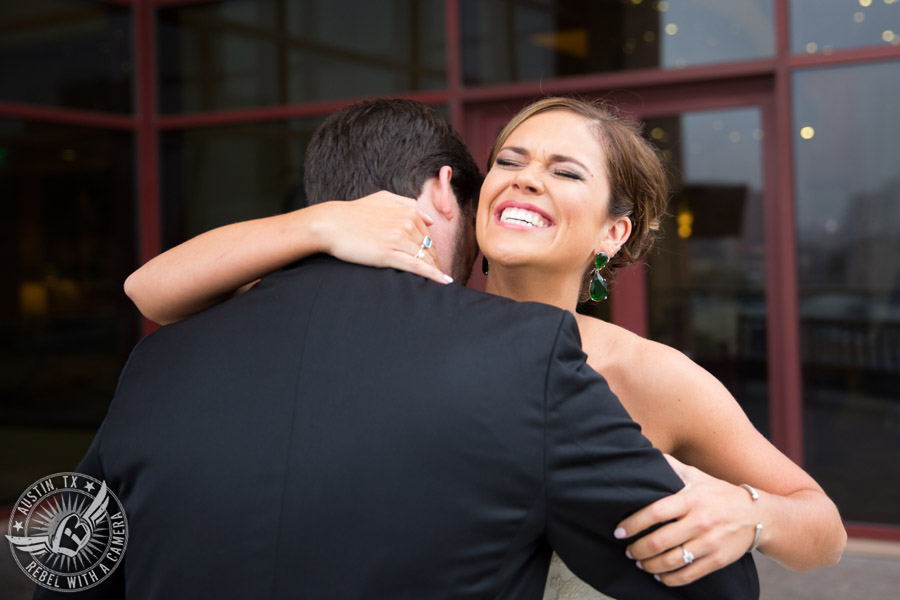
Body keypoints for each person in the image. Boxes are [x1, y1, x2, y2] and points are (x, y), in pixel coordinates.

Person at [37, 99, 759, 600]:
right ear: (448, 195)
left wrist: (754, 513)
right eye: (503, 170)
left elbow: (66, 559)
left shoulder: (163, 358)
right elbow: (718, 585)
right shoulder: (524, 356)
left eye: (566, 171)